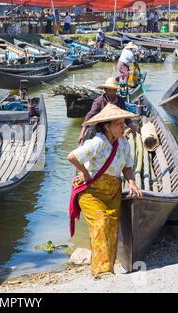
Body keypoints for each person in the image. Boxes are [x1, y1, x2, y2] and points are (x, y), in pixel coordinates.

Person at [67, 103, 142, 279]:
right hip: (91, 192)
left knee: (111, 228)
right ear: (107, 126)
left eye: (124, 123)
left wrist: (131, 182)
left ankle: (108, 268)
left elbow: (128, 166)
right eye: (119, 124)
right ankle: (101, 271)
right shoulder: (97, 142)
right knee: (100, 223)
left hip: (113, 192)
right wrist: (84, 172)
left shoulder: (123, 144)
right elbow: (72, 156)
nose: (123, 127)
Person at [77, 77, 136, 144]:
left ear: (116, 91)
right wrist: (82, 133)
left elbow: (126, 117)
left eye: (114, 90)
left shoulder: (119, 100)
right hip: (100, 129)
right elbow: (90, 116)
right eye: (109, 90)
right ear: (105, 90)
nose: (112, 92)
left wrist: (132, 128)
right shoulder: (99, 101)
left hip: (115, 129)